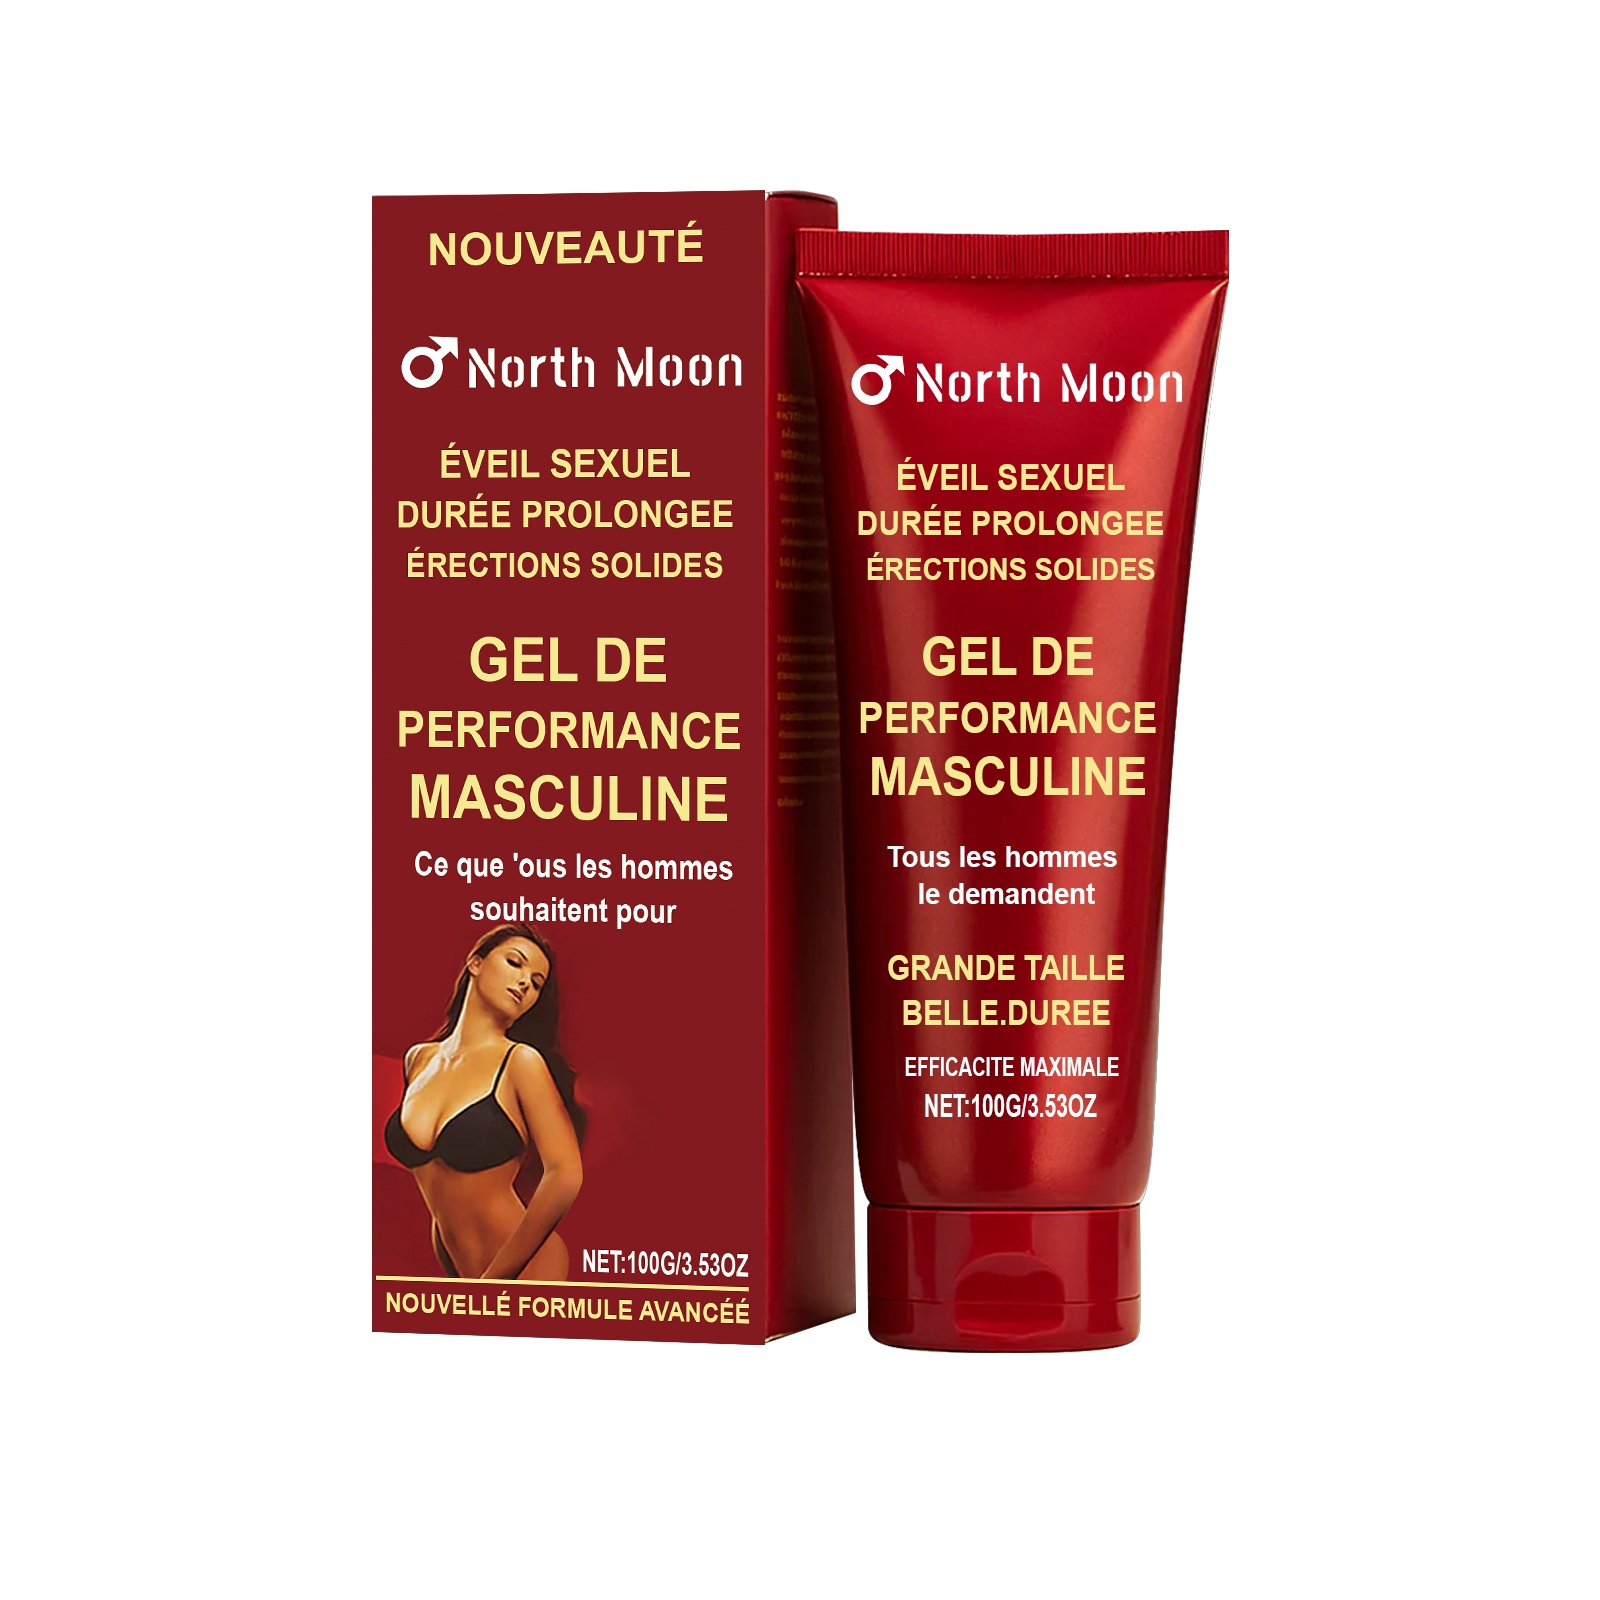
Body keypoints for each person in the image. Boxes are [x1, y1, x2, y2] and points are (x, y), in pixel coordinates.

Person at [385, 924, 584, 1280]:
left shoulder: (520, 1062)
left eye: (537, 983)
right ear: (475, 963)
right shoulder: (418, 1060)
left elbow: (565, 1174)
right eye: (514, 963)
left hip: (527, 1272)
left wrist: (492, 1281)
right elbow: (441, 1189)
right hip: (468, 1277)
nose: (524, 983)